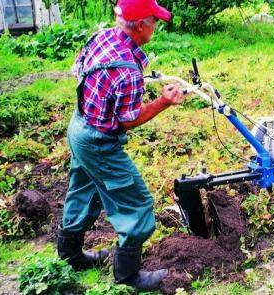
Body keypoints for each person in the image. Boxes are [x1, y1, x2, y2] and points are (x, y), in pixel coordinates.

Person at [57, 0, 185, 291]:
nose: (156, 25)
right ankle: (128, 277)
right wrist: (163, 102)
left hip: (79, 127)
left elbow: (76, 68)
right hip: (99, 142)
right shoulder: (126, 71)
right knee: (136, 202)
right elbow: (127, 120)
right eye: (154, 20)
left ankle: (70, 257)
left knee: (84, 191)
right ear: (140, 25)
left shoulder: (102, 37)